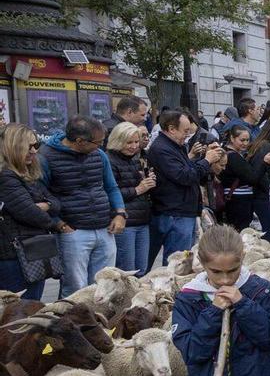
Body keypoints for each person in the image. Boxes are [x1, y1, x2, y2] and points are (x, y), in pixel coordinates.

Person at [172, 225, 270, 376]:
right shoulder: (188, 299)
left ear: (242, 259)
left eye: (232, 270)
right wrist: (213, 312)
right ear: (203, 264)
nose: (225, 279)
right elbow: (191, 352)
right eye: (216, 272)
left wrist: (243, 304)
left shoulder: (259, 290)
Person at [39, 116, 126, 297]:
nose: (101, 147)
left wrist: (120, 213)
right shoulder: (46, 157)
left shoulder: (99, 155)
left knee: (105, 286)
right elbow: (41, 194)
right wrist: (59, 224)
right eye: (98, 142)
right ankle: (73, 323)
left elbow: (111, 187)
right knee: (75, 288)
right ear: (79, 141)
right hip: (72, 231)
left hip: (104, 228)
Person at [146, 110, 222, 268]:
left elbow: (184, 169)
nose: (188, 135)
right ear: (172, 129)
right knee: (178, 264)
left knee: (182, 259)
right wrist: (207, 161)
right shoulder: (162, 148)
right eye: (185, 131)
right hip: (174, 212)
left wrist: (193, 157)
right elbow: (184, 176)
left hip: (181, 211)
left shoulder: (175, 146)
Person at [0, 124, 66, 300]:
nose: (34, 151)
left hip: (33, 251)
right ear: (13, 147)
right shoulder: (6, 176)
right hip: (14, 254)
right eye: (28, 147)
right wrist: (51, 219)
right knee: (19, 309)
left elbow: (57, 204)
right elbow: (30, 213)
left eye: (35, 146)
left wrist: (45, 205)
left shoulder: (28, 175)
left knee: (31, 305)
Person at [107, 122, 155, 276]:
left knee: (142, 270)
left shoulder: (136, 159)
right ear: (118, 140)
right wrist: (138, 189)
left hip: (142, 220)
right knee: (126, 271)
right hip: (125, 222)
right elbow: (110, 193)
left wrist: (148, 180)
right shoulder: (109, 160)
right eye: (129, 142)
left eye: (136, 142)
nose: (134, 146)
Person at [248, 118, 270, 237]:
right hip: (264, 196)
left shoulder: (263, 144)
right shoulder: (265, 146)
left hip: (263, 194)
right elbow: (261, 173)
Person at [218, 124, 257, 231]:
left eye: (247, 140)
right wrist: (263, 163)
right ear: (232, 138)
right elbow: (252, 177)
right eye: (242, 140)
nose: (245, 143)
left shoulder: (232, 154)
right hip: (239, 201)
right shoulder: (233, 156)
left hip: (236, 199)